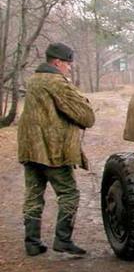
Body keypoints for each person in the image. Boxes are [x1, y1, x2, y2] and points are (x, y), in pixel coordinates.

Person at [17, 42, 95, 256]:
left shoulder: (33, 80)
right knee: (69, 194)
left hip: (30, 150)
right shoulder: (56, 82)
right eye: (68, 64)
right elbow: (86, 116)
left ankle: (32, 243)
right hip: (53, 151)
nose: (69, 68)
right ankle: (63, 239)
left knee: (33, 195)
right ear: (58, 62)